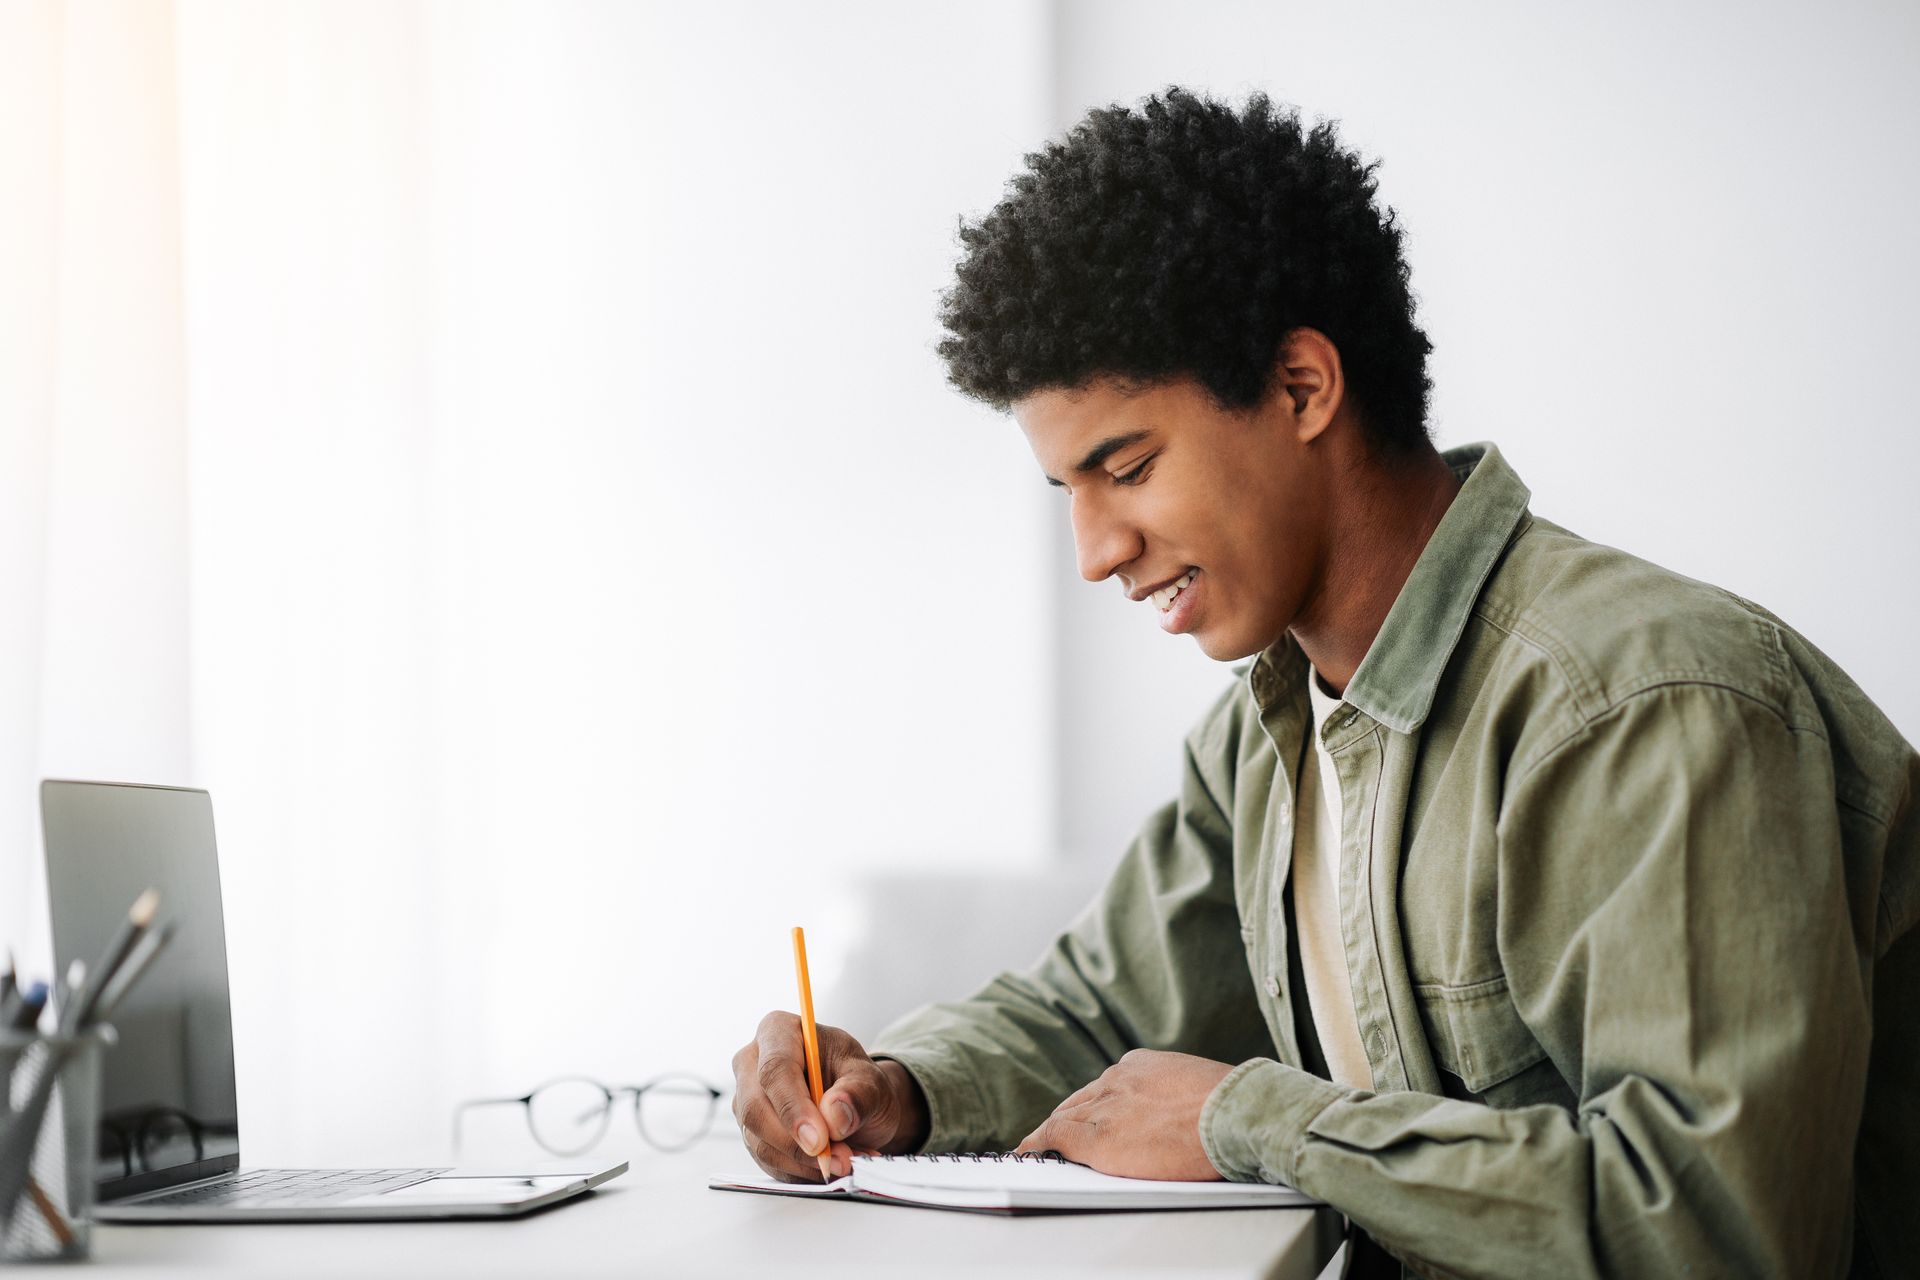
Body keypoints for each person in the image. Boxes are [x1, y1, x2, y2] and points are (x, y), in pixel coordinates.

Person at [728, 88, 1918, 1278]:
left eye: (1127, 468)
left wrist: (1251, 1123)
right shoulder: (1267, 730)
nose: (1095, 552)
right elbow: (1098, 1010)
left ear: (1302, 387)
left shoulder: (1647, 709)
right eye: (1070, 495)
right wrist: (896, 1086)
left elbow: (1712, 1230)